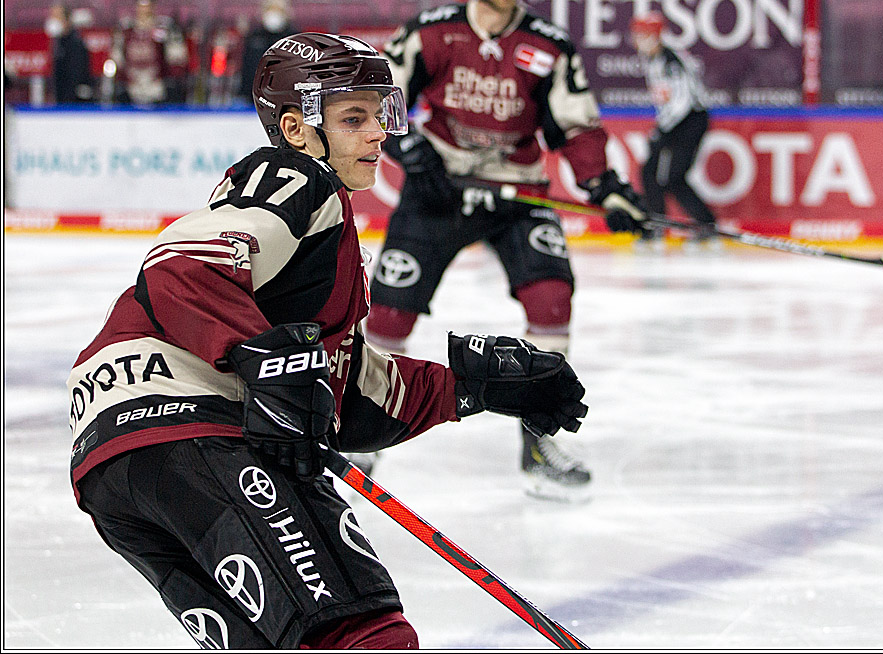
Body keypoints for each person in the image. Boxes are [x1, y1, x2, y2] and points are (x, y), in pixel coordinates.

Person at [66, 32, 587, 649]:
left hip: (119, 448)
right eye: (353, 119)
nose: (378, 134)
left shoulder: (318, 236)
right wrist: (270, 366)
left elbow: (346, 390)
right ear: (296, 128)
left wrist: (470, 387)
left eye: (380, 115)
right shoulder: (294, 177)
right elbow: (182, 265)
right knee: (362, 635)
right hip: (193, 425)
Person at [363, 0, 645, 502]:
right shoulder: (431, 30)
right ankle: (361, 436)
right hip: (439, 190)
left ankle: (539, 445)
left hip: (518, 192)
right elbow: (380, 94)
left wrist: (606, 188)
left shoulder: (549, 44)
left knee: (552, 300)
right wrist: (405, 145)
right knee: (388, 315)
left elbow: (577, 126)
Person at [629, 12, 719, 246]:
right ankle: (657, 224)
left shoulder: (669, 60)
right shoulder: (655, 59)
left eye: (641, 35)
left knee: (674, 177)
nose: (637, 40)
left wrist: (662, 129)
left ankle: (706, 223)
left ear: (654, 36)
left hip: (689, 120)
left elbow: (682, 101)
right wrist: (662, 127)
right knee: (650, 171)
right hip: (676, 122)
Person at [108, 0, 188, 105]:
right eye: (141, 4)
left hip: (158, 86)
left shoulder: (166, 28)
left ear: (154, 5)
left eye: (148, 4)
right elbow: (116, 58)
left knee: (173, 90)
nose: (144, 8)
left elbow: (178, 57)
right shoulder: (125, 29)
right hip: (131, 86)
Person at [237, 0, 295, 102]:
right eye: (270, 10)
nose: (274, 15)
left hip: (286, 98)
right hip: (253, 97)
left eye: (278, 10)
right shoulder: (254, 37)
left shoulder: (295, 38)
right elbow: (247, 68)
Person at [44, 3, 94, 104]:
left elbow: (76, 76)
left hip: (74, 103)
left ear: (66, 19)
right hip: (61, 100)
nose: (52, 20)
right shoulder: (58, 42)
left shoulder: (75, 43)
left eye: (56, 17)